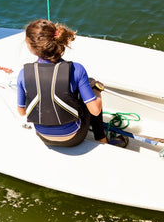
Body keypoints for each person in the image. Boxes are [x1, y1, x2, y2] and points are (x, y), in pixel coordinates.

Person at [17, 19, 127, 148]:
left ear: (31, 46)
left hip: (43, 137)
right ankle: (102, 140)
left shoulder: (23, 74)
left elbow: (22, 112)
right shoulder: (77, 69)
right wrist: (96, 89)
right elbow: (95, 111)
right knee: (91, 89)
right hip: (74, 138)